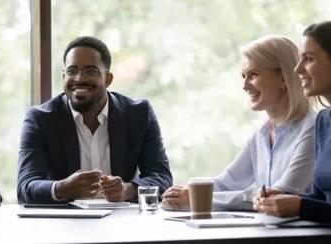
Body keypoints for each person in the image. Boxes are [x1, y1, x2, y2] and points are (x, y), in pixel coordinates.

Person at [162, 35, 315, 211]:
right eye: (243, 76)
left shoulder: (312, 128)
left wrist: (196, 198)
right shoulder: (261, 133)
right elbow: (226, 184)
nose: (245, 86)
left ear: (283, 77)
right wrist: (187, 191)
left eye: (253, 75)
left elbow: (279, 196)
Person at [17, 36, 173, 203]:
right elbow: (26, 186)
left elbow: (162, 178)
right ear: (64, 77)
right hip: (63, 222)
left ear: (108, 79)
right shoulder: (40, 119)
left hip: (122, 220)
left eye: (90, 71)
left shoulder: (138, 114)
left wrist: (127, 190)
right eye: (72, 71)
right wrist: (63, 188)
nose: (79, 78)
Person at [254, 21, 331, 222]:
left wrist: (300, 206)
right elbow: (320, 198)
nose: (297, 69)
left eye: (309, 59)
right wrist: (284, 199)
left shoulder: (312, 123)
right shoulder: (324, 121)